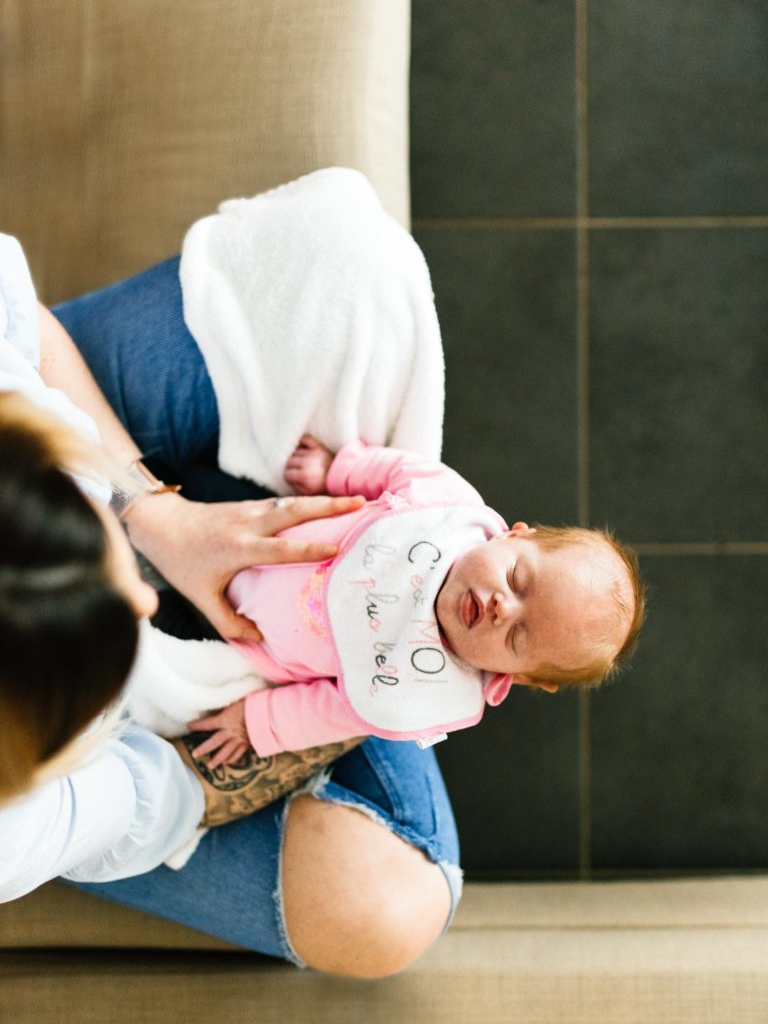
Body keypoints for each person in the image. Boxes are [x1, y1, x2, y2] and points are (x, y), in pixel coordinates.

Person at [0, 235, 459, 978]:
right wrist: (354, 695)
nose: (147, 593)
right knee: (385, 909)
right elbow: (160, 793)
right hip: (270, 679)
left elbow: (16, 316)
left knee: (351, 271)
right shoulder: (13, 828)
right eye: (125, 625)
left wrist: (153, 514)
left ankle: (217, 483)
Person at [172, 436, 644, 769]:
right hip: (256, 523)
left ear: (516, 677)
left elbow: (330, 710)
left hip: (240, 632)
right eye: (518, 578)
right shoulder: (447, 507)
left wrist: (256, 723)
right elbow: (398, 470)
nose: (504, 607)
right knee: (184, 482)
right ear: (514, 535)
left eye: (519, 635)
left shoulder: (420, 689)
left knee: (156, 626)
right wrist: (337, 469)